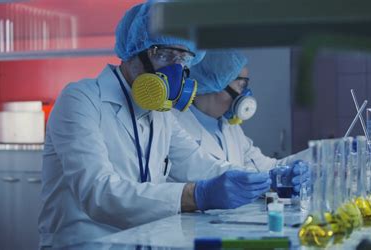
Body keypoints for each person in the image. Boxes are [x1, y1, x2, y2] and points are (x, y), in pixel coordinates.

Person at [38, 3, 274, 248]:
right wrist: (197, 195)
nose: (176, 69)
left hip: (143, 241)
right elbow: (99, 193)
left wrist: (267, 179)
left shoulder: (160, 113)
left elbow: (198, 164)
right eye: (164, 54)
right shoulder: (81, 99)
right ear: (133, 50)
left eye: (183, 58)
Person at [172, 50, 311, 196]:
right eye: (242, 85)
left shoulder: (229, 126)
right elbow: (210, 171)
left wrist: (315, 157)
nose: (246, 93)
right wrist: (272, 178)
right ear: (217, 81)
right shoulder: (176, 123)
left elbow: (266, 167)